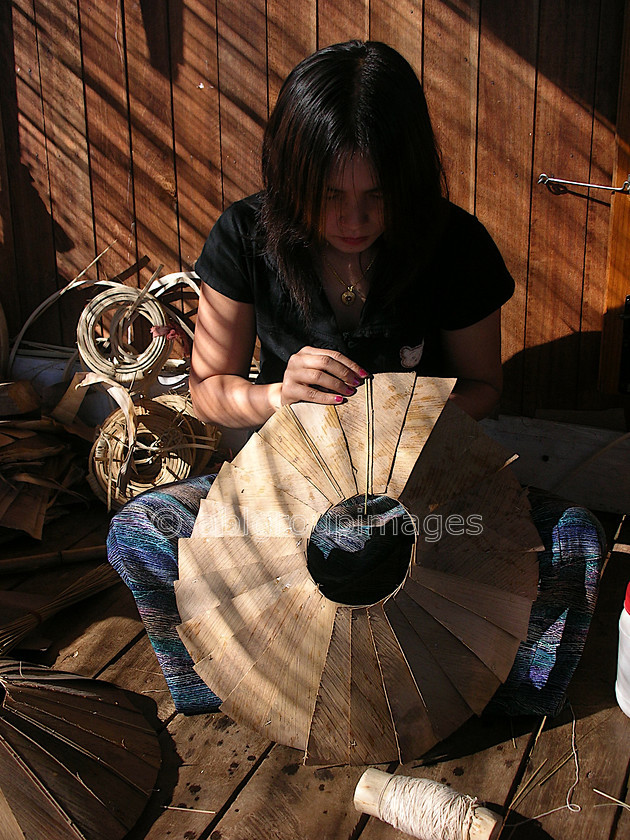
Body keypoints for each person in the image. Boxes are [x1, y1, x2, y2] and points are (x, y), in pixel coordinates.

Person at [108, 41, 605, 718]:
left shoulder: (452, 244)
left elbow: (486, 388)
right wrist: (275, 395)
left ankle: (491, 700)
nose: (353, 219)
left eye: (377, 196)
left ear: (405, 183)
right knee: (140, 532)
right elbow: (209, 387)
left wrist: (407, 408)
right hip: (284, 498)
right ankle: (233, 688)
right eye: (329, 196)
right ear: (292, 177)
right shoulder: (244, 235)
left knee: (573, 539)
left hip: (423, 502)